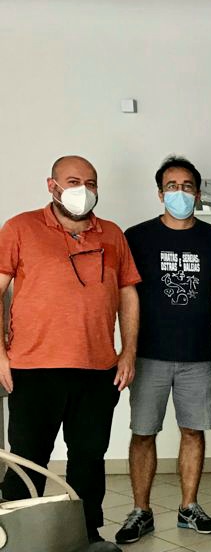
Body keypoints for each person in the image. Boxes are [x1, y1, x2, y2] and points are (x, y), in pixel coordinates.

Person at [0, 155, 141, 544]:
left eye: (91, 183)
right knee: (28, 458)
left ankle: (87, 534)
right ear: (53, 186)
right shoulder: (20, 227)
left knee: (89, 457)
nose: (84, 190)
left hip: (97, 369)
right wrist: (0, 355)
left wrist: (128, 352)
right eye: (74, 181)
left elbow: (128, 294)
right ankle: (16, 536)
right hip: (34, 367)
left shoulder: (112, 234)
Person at [115, 156, 211, 544]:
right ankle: (140, 511)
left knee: (193, 431)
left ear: (197, 193)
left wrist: (198, 320)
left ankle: (189, 507)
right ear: (160, 193)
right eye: (172, 186)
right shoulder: (137, 237)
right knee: (143, 432)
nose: (179, 192)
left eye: (187, 186)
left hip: (196, 355)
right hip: (149, 353)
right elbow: (126, 294)